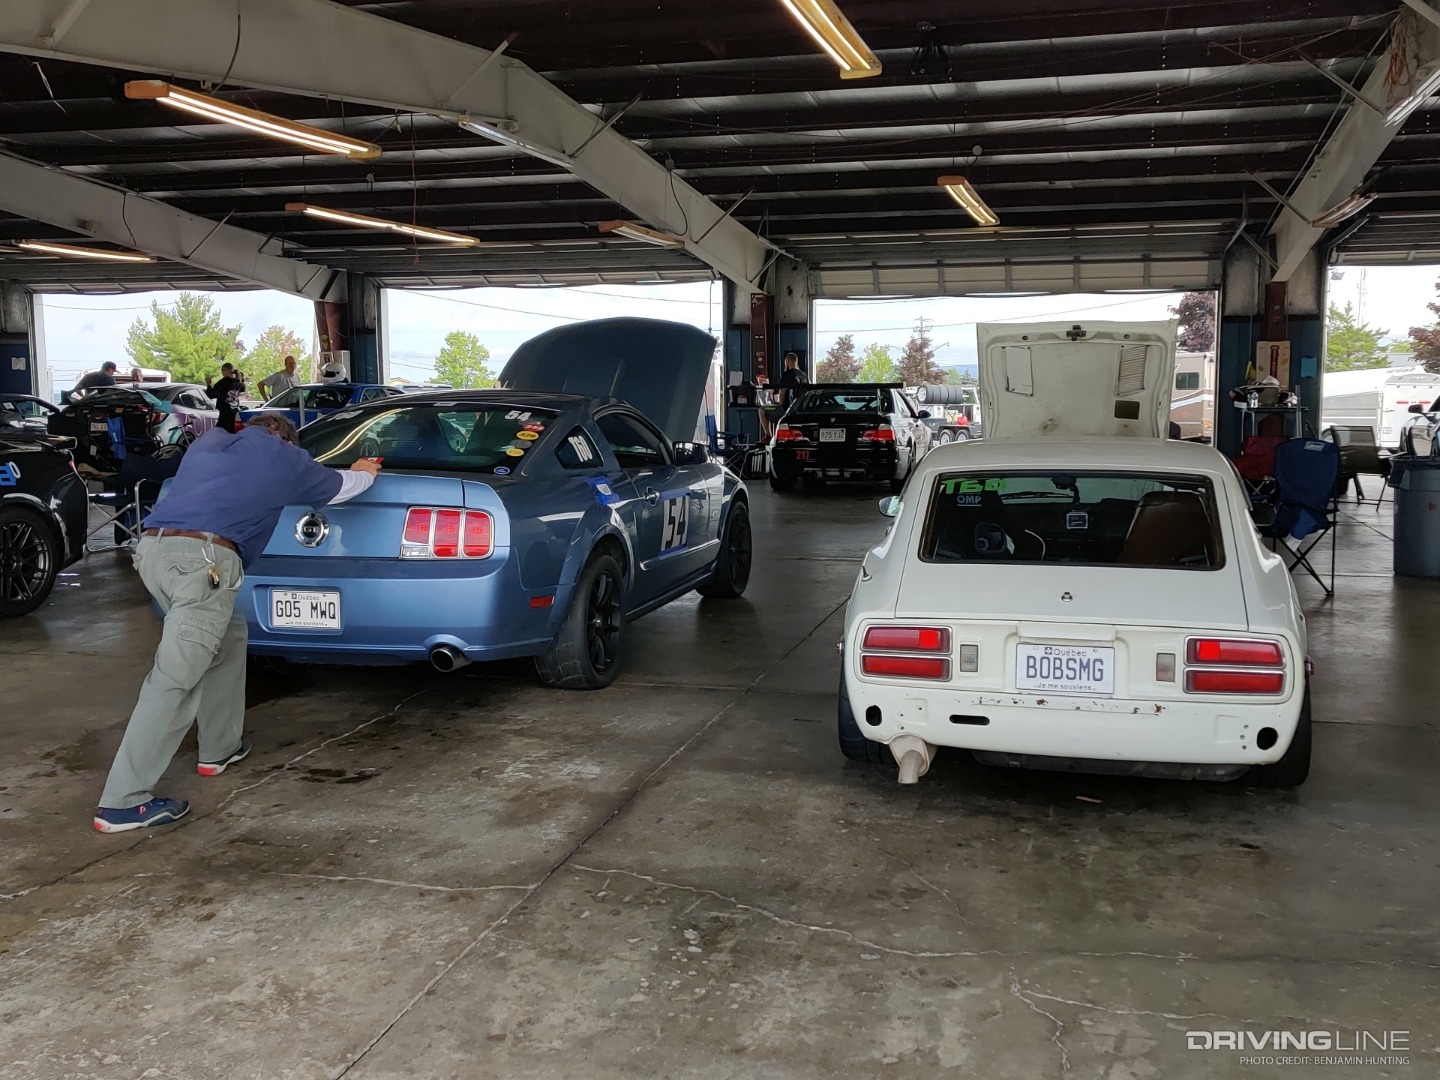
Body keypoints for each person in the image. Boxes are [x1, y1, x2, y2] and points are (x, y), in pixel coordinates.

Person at [93, 413, 383, 833]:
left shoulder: (208, 444)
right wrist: (365, 470)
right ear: (286, 439)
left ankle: (220, 746)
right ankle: (123, 800)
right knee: (176, 678)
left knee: (229, 634)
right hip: (204, 562)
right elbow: (342, 487)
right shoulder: (282, 453)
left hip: (154, 553)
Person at [205, 362, 245, 433]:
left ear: (227, 370)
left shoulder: (222, 383)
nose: (222, 373)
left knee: (221, 432)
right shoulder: (238, 382)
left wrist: (208, 384)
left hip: (225, 411)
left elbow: (211, 395)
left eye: (222, 370)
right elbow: (243, 389)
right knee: (232, 432)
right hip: (234, 410)